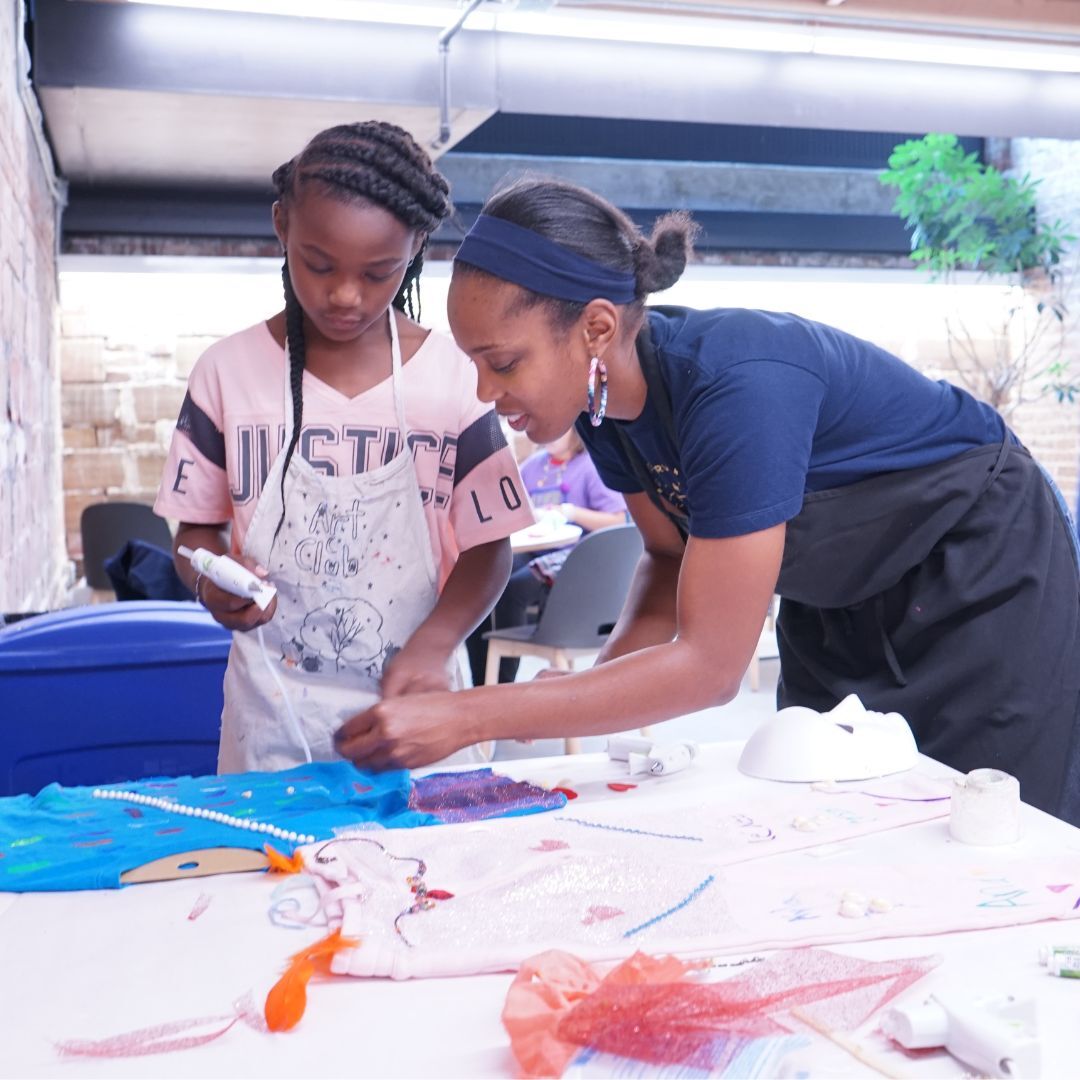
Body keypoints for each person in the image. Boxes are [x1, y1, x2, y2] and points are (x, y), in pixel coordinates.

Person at [334, 175, 1080, 824]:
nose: (485, 394)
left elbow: (712, 666)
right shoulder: (606, 412)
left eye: (502, 363)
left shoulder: (737, 385)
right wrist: (592, 687)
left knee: (982, 815)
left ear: (596, 328)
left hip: (973, 566)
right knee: (823, 802)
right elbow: (668, 558)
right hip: (838, 591)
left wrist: (470, 715)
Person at [154, 123, 532, 773]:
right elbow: (194, 533)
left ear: (414, 247)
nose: (345, 296)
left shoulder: (455, 377)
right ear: (282, 226)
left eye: (378, 272)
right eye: (318, 264)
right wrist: (210, 582)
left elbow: (490, 544)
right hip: (273, 723)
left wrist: (433, 645)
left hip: (420, 719)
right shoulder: (227, 373)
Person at [466, 426, 626, 685]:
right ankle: (482, 681)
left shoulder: (590, 466)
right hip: (533, 549)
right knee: (484, 582)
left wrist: (572, 512)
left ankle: (500, 683)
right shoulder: (533, 467)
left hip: (578, 560)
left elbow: (618, 520)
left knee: (512, 589)